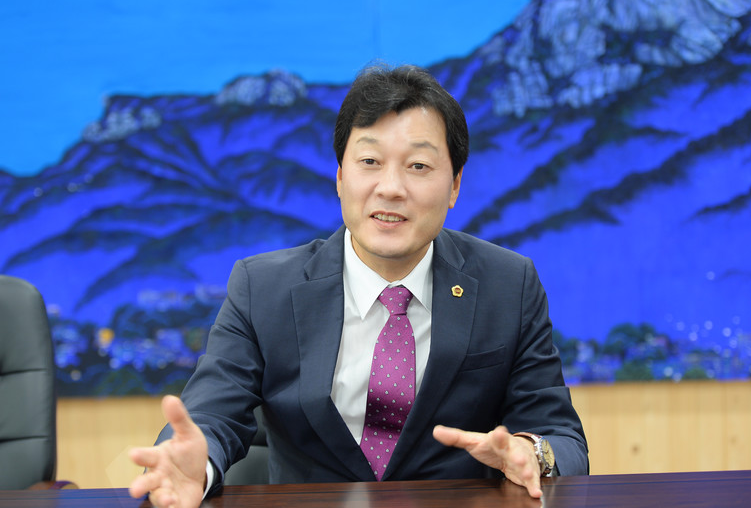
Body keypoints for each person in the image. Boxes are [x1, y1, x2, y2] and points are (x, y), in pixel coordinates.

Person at [129, 64, 588, 508]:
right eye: (369, 161)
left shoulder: (508, 285)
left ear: (454, 185)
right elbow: (211, 414)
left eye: (419, 165)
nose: (391, 188)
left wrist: (534, 453)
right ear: (340, 176)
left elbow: (562, 438)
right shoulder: (262, 288)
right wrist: (197, 464)